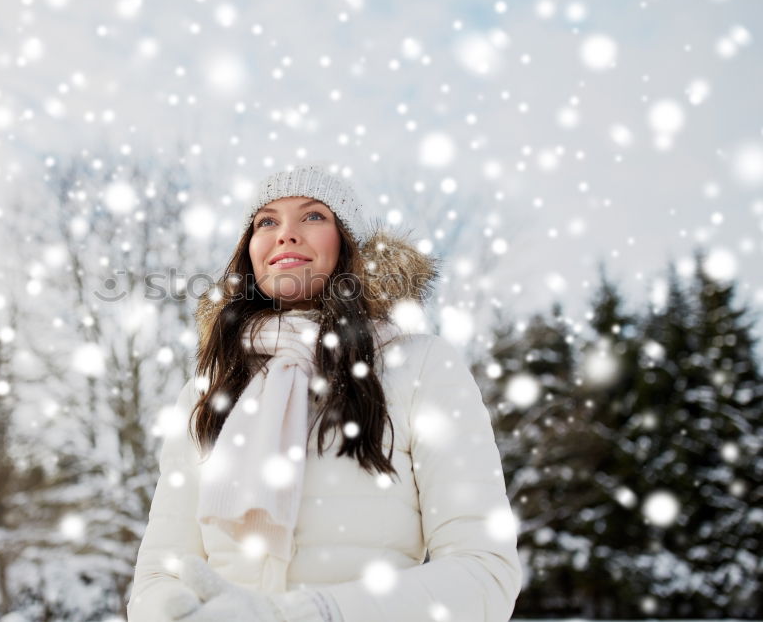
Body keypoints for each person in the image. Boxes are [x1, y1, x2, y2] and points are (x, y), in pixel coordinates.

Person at [127, 165, 522, 622]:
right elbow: (160, 573)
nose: (286, 235)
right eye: (266, 222)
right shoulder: (206, 391)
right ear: (248, 253)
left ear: (349, 245)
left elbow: (484, 572)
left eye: (313, 217)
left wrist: (308, 613)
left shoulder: (421, 365)